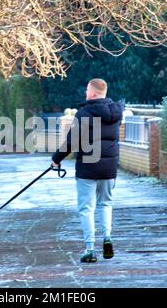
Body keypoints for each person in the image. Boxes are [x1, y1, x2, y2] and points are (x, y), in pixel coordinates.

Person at [51, 78, 123, 263]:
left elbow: (71, 142)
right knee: (105, 204)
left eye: (86, 90)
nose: (85, 93)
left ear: (92, 93)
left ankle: (90, 249)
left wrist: (56, 160)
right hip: (109, 168)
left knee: (86, 208)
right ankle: (107, 238)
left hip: (88, 169)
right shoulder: (116, 113)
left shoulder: (84, 113)